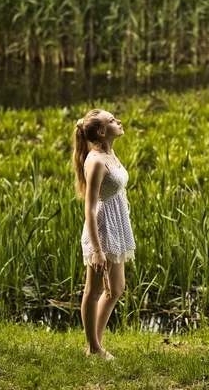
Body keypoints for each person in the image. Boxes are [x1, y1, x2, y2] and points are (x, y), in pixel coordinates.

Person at [72, 109, 136, 360]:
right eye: (112, 121)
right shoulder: (96, 161)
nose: (119, 121)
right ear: (101, 132)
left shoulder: (109, 153)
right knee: (95, 290)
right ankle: (93, 347)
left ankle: (95, 345)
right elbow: (89, 206)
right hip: (101, 229)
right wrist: (97, 250)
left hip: (117, 224)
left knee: (116, 288)